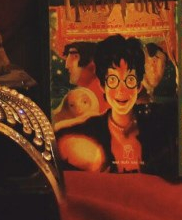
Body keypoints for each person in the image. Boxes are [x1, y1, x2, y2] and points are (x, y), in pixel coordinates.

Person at [57, 34, 168, 173]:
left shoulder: (158, 123)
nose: (121, 90)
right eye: (113, 80)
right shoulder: (90, 130)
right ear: (103, 86)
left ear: (139, 86)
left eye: (130, 80)